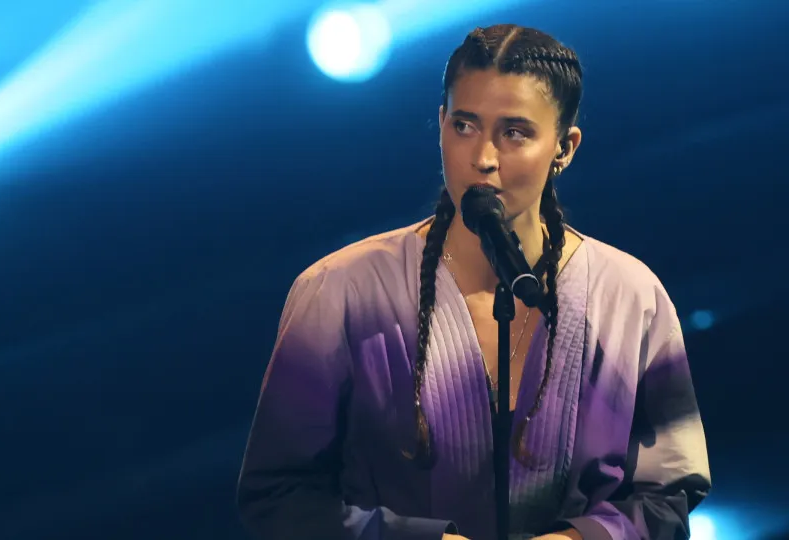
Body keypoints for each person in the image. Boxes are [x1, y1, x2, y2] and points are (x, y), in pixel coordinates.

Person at [236, 23, 711, 540]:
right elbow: (276, 495)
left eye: (514, 132)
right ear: (440, 123)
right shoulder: (342, 290)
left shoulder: (631, 297)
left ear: (565, 147)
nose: (482, 157)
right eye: (464, 125)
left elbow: (669, 495)